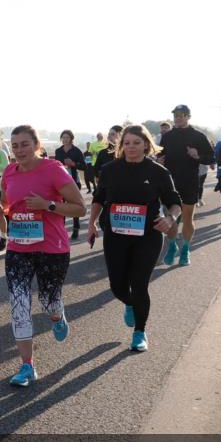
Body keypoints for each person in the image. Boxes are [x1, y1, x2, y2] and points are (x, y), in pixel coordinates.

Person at [0, 125, 86, 387]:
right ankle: (27, 366)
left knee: (48, 302)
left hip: (51, 248)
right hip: (19, 247)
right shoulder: (9, 171)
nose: (19, 150)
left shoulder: (53, 169)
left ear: (36, 145)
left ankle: (58, 316)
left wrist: (48, 205)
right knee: (19, 305)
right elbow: (9, 203)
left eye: (25, 144)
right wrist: (1, 210)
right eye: (15, 145)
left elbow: (79, 208)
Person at [88, 125, 181, 352]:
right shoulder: (110, 170)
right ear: (121, 146)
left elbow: (174, 201)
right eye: (127, 143)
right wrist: (91, 222)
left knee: (140, 285)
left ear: (146, 145)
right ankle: (129, 303)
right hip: (115, 236)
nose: (131, 147)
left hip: (147, 236)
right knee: (117, 287)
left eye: (136, 143)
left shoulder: (159, 172)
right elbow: (99, 199)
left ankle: (139, 332)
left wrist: (171, 218)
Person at [155, 106, 214, 266]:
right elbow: (160, 155)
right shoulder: (167, 137)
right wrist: (159, 160)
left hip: (189, 182)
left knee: (188, 219)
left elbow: (211, 158)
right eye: (175, 115)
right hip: (170, 184)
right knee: (171, 219)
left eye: (182, 115)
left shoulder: (198, 136)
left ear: (188, 117)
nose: (178, 118)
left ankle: (186, 249)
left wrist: (198, 155)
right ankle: (172, 246)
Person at [53, 129, 87, 240]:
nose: (65, 139)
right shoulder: (58, 151)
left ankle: (76, 227)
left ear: (71, 139)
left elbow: (84, 166)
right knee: (60, 206)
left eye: (67, 137)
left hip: (73, 181)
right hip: (60, 182)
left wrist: (73, 164)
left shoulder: (76, 151)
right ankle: (61, 229)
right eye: (63, 137)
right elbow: (55, 166)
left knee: (74, 205)